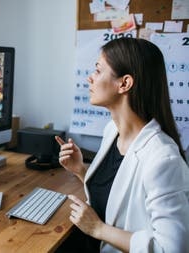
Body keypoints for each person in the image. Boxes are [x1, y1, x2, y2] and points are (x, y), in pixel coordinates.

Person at [56, 38, 189, 253]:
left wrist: (98, 229)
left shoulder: (163, 159)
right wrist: (80, 170)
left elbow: (172, 249)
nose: (90, 78)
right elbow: (118, 193)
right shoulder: (112, 131)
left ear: (124, 84)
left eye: (98, 71)